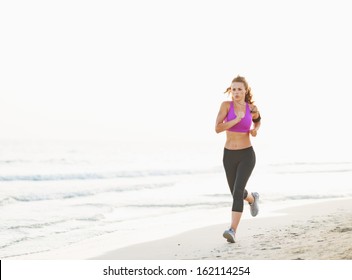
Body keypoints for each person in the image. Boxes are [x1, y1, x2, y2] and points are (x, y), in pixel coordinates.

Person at [215, 75, 261, 243]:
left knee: (236, 193)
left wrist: (255, 129)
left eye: (239, 89)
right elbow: (217, 128)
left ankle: (232, 230)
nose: (236, 92)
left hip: (247, 154)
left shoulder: (252, 108)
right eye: (233, 89)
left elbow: (258, 121)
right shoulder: (226, 106)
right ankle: (252, 198)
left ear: (245, 91)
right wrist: (236, 119)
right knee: (237, 192)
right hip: (229, 155)